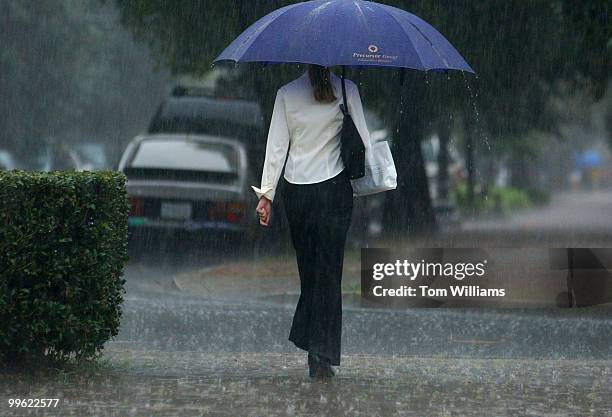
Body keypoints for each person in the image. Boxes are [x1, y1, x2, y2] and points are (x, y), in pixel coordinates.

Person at [252, 64, 371, 378]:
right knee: (329, 273)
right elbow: (364, 141)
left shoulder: (287, 94)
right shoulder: (347, 90)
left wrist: (266, 195)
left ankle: (312, 344)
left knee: (310, 273)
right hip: (334, 191)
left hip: (297, 192)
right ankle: (321, 352)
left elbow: (277, 147)